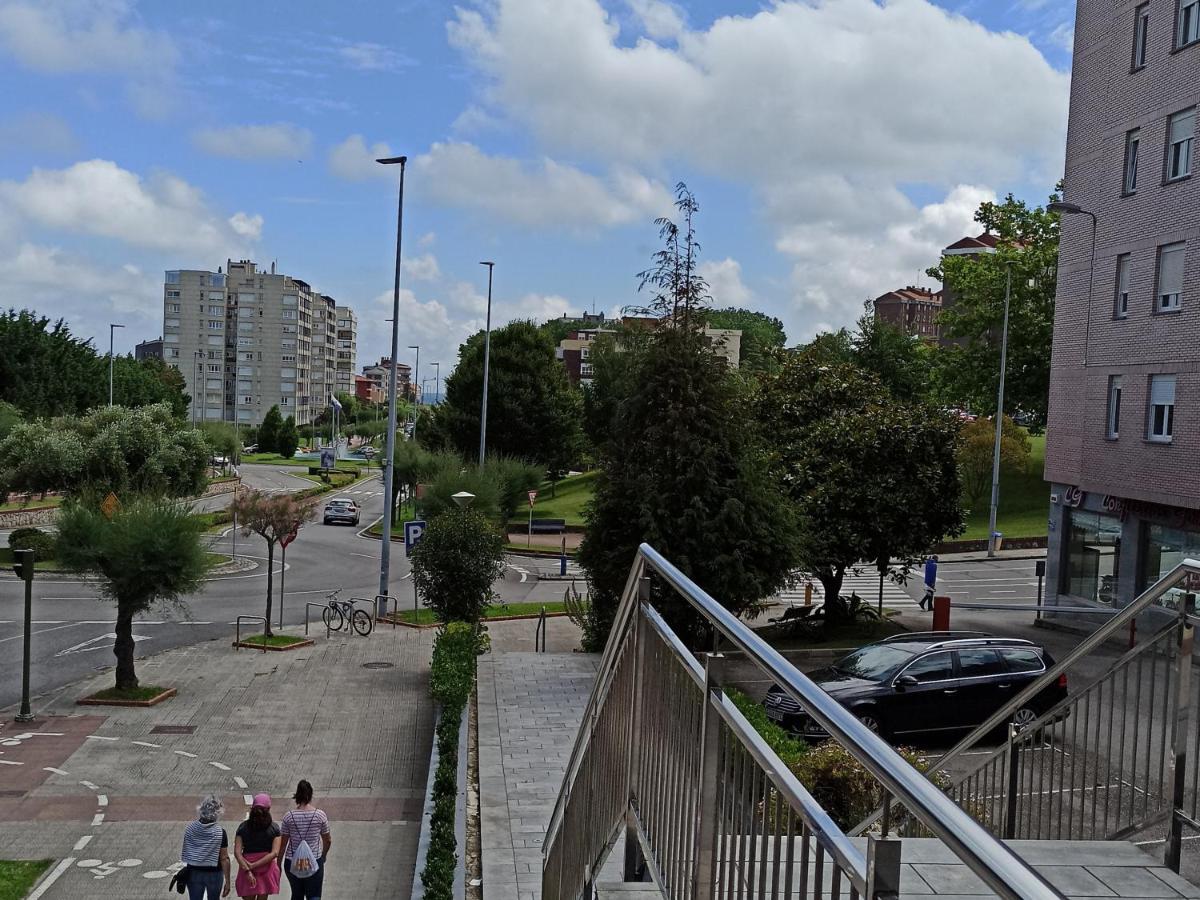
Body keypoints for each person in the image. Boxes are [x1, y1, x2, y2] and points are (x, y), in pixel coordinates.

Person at [279, 780, 331, 900]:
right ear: (311, 795)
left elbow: (283, 844)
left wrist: (278, 864)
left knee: (297, 895)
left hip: (292, 862)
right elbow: (327, 840)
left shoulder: (289, 816)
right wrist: (323, 856)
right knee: (314, 895)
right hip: (314, 860)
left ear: (296, 795)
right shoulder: (320, 815)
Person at [181, 793, 231, 899]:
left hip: (193, 872)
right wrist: (228, 881)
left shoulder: (190, 828)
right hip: (214, 873)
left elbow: (187, 851)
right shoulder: (220, 832)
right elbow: (224, 858)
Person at [234, 793, 282, 899]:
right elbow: (275, 853)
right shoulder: (274, 828)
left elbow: (237, 853)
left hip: (246, 867)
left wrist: (248, 869)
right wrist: (254, 865)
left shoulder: (243, 827)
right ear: (268, 809)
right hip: (267, 869)